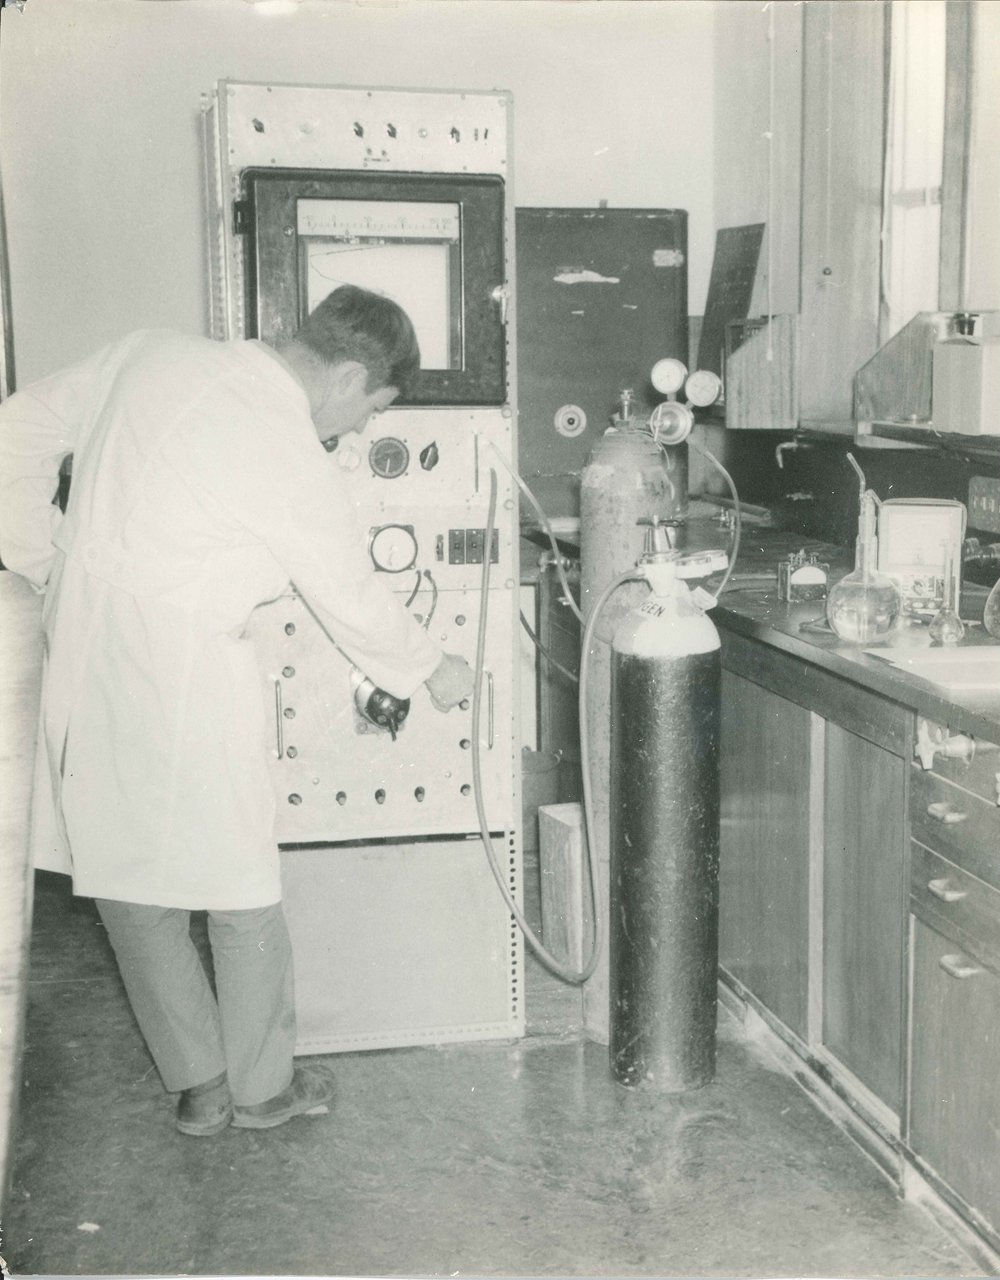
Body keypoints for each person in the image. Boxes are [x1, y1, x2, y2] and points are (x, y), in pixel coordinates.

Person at [0, 285, 475, 1137]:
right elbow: (351, 594)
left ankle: (199, 1085)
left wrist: (44, 557)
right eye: (375, 407)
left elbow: (13, 432)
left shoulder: (145, 350)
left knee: (124, 872)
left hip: (82, 644)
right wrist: (431, 666)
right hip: (187, 667)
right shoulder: (286, 447)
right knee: (239, 882)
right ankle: (261, 1090)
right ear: (349, 375)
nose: (364, 428)